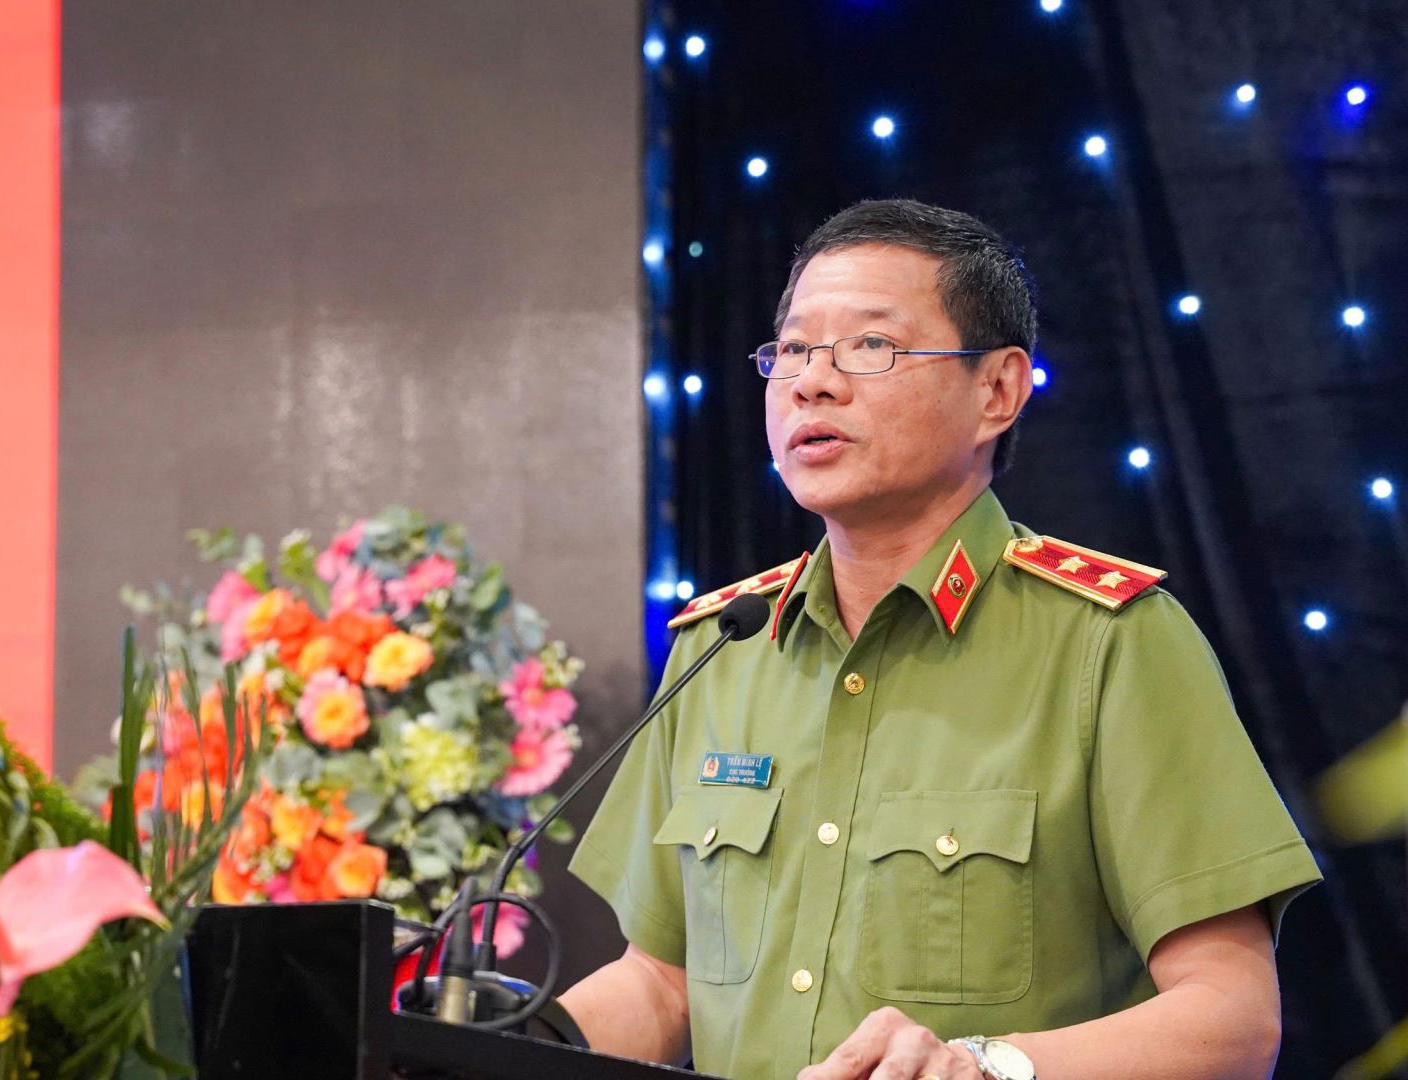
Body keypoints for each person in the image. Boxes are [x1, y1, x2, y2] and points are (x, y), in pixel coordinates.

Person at [559, 199, 1321, 1080]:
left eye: (870, 347)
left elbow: (1231, 1022)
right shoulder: (722, 646)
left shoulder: (1107, 644)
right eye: (793, 350)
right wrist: (482, 1040)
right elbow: (661, 985)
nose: (812, 383)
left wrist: (983, 1067)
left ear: (997, 391)